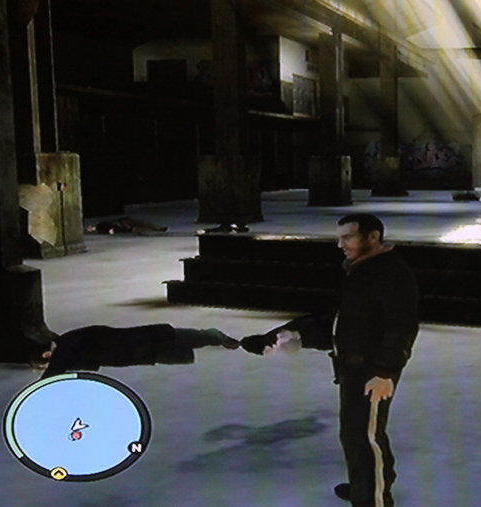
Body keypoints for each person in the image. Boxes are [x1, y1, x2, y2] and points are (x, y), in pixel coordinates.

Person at [241, 213, 419, 507]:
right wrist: (297, 335)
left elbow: (400, 328)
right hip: (353, 367)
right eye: (340, 237)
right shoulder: (361, 270)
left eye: (348, 237)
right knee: (358, 433)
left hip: (371, 370)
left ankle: (372, 498)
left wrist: (385, 372)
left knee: (364, 436)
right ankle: (366, 485)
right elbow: (346, 322)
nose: (340, 244)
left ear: (372, 237)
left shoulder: (390, 274)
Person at [29, 324, 240, 379]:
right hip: (138, 352)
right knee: (182, 351)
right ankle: (213, 338)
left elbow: (55, 371)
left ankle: (217, 336)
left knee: (193, 338)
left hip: (142, 341)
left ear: (47, 355)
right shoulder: (68, 346)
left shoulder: (66, 346)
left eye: (42, 365)